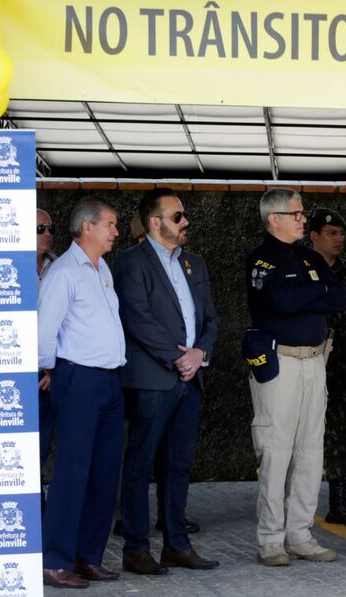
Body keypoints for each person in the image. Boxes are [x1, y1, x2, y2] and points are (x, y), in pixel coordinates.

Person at [113, 188, 220, 574]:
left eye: (184, 215)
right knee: (140, 464)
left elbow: (210, 319)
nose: (185, 221)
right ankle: (136, 549)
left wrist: (199, 355)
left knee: (179, 465)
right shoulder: (130, 263)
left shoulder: (195, 264)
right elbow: (137, 319)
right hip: (153, 380)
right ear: (155, 222)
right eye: (177, 216)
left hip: (190, 379)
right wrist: (179, 357)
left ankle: (177, 544)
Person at [245, 188, 346, 566]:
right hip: (279, 362)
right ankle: (271, 538)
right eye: (298, 214)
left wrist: (307, 291)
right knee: (276, 449)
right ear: (275, 219)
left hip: (315, 361)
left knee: (310, 450)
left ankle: (300, 533)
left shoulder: (310, 258)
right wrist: (315, 290)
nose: (304, 219)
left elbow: (338, 298)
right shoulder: (260, 259)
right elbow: (278, 303)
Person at [38, 198, 127, 589]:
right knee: (72, 474)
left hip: (109, 381)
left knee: (105, 474)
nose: (116, 231)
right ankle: (55, 560)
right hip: (79, 379)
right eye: (110, 224)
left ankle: (88, 556)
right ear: (87, 227)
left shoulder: (102, 267)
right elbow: (45, 329)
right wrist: (48, 369)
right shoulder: (64, 272)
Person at [308, 208, 346, 525]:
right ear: (313, 235)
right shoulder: (298, 268)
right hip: (305, 356)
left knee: (342, 432)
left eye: (342, 233)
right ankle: (294, 499)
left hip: (341, 362)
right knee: (302, 430)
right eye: (331, 233)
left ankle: (338, 502)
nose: (339, 239)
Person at [36, 209, 57, 488]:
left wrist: (54, 368)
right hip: (10, 366)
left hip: (51, 371)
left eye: (50, 228)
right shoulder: (0, 268)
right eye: (40, 229)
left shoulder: (62, 268)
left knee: (44, 440)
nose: (48, 233)